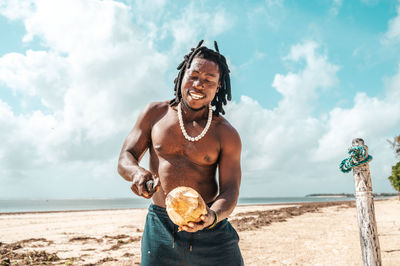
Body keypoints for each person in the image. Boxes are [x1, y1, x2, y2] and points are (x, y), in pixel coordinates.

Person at [117, 40, 243, 265]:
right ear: (183, 75)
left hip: (210, 225)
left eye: (208, 80)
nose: (198, 84)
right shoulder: (155, 114)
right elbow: (126, 156)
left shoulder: (225, 133)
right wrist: (137, 174)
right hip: (161, 226)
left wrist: (211, 216)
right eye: (193, 76)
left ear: (218, 86)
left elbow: (231, 190)